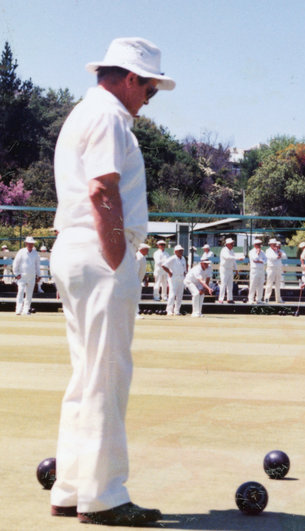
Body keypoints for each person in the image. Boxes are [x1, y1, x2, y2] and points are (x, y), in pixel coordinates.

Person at [50, 36, 172, 526]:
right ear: (129, 79)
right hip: (99, 253)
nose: (149, 98)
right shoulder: (107, 116)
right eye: (149, 88)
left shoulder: (87, 112)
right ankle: (103, 495)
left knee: (88, 374)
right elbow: (103, 188)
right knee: (107, 374)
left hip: (77, 250)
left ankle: (73, 486)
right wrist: (120, 257)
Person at [13, 236, 41, 315]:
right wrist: (16, 274)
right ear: (26, 243)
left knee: (29, 295)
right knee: (20, 292)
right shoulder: (21, 252)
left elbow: (37, 266)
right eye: (29, 243)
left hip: (32, 277)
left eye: (31, 243)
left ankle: (26, 310)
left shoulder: (36, 253)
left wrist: (39, 276)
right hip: (22, 276)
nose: (30, 245)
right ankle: (18, 310)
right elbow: (16, 263)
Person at [162, 244, 186, 316]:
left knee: (180, 294)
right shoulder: (172, 258)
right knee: (172, 294)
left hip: (181, 277)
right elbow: (163, 265)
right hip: (174, 278)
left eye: (182, 250)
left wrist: (185, 273)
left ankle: (177, 310)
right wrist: (169, 272)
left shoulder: (183, 258)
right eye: (179, 251)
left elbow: (185, 268)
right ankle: (169, 310)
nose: (181, 252)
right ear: (175, 252)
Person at [264, 239, 286, 303]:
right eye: (273, 244)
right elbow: (271, 257)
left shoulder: (278, 250)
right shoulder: (268, 251)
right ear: (270, 244)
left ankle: (278, 299)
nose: (274, 245)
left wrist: (279, 253)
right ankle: (266, 299)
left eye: (275, 244)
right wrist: (278, 256)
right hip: (271, 268)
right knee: (269, 284)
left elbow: (284, 256)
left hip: (278, 268)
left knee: (278, 284)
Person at [247, 239, 267, 304]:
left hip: (261, 270)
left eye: (260, 244)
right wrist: (258, 254)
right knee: (253, 285)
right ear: (255, 245)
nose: (259, 246)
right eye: (258, 244)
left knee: (260, 285)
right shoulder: (251, 252)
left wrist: (260, 261)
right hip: (254, 270)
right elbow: (255, 259)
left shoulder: (263, 252)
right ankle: (250, 299)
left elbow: (265, 260)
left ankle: (259, 299)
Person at [218, 238, 237, 303]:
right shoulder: (224, 250)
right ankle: (221, 299)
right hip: (224, 269)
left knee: (230, 285)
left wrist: (236, 269)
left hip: (230, 269)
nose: (233, 245)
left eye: (233, 243)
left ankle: (229, 299)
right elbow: (227, 257)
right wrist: (236, 257)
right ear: (228, 244)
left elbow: (234, 261)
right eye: (231, 243)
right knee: (223, 284)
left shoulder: (232, 251)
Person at [134, 243, 150, 318]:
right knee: (135, 297)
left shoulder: (142, 257)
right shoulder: (138, 257)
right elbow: (135, 270)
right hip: (135, 281)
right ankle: (135, 313)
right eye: (146, 249)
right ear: (141, 249)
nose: (148, 251)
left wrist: (145, 279)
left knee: (136, 297)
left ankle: (135, 313)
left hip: (138, 281)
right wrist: (136, 281)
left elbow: (142, 270)